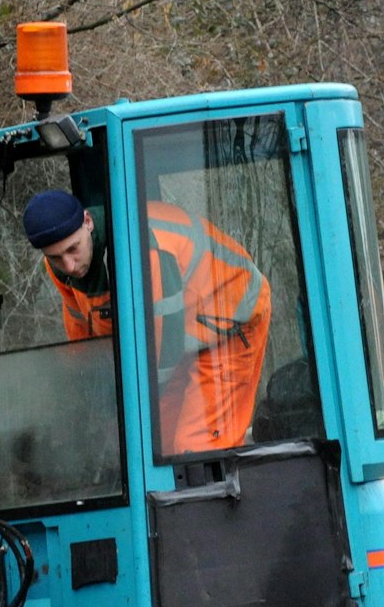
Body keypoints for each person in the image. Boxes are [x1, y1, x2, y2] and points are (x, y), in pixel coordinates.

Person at [22, 189, 271, 456]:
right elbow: (83, 332)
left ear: (87, 222)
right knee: (156, 446)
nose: (69, 265)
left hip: (230, 323)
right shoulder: (61, 268)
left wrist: (125, 410)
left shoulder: (143, 247)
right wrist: (93, 399)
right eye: (56, 257)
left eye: (73, 249)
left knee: (197, 448)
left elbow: (164, 340)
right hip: (179, 338)